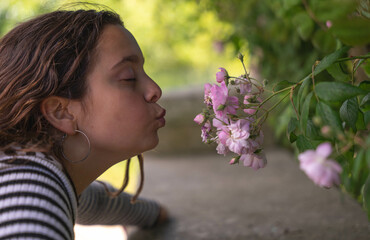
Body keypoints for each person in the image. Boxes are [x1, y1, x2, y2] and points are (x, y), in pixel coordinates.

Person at [0, 6, 168, 240]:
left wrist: (153, 213)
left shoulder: (35, 165)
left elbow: (91, 201)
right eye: (129, 77)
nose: (154, 90)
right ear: (61, 113)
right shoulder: (27, 190)